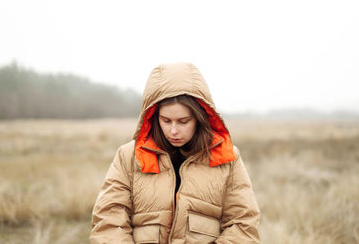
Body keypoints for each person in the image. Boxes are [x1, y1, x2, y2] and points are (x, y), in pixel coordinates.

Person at [90, 63, 260, 244]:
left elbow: (243, 225)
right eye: (166, 120)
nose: (173, 131)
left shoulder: (227, 158)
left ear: (200, 117)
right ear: (154, 116)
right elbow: (108, 223)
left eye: (183, 121)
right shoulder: (128, 156)